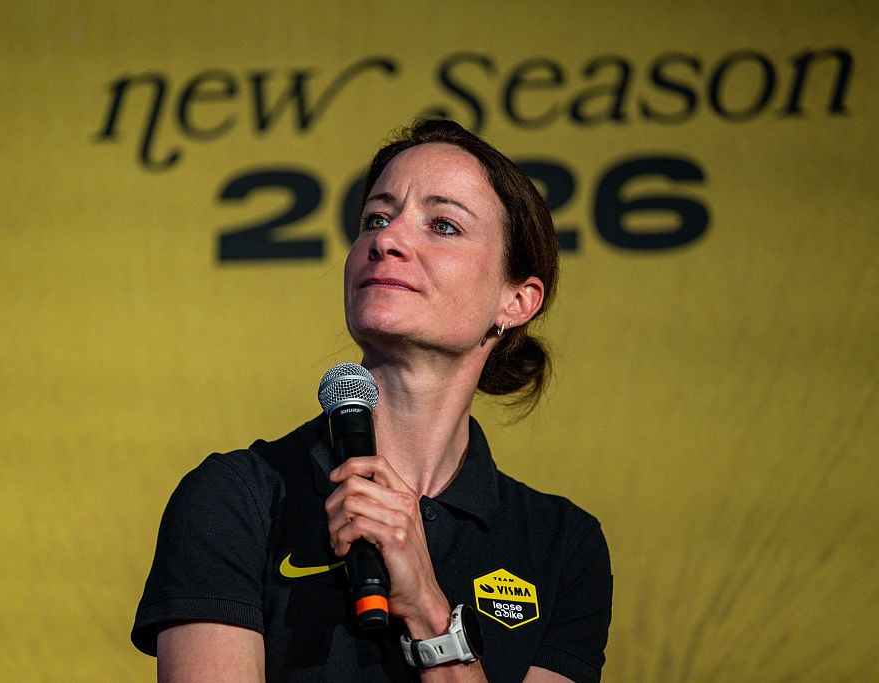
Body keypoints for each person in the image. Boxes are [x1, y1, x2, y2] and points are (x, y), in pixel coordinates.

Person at [131, 119, 612, 682]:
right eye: (376, 220)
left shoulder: (560, 544)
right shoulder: (237, 497)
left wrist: (430, 613)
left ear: (516, 301)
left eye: (444, 225)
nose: (386, 240)